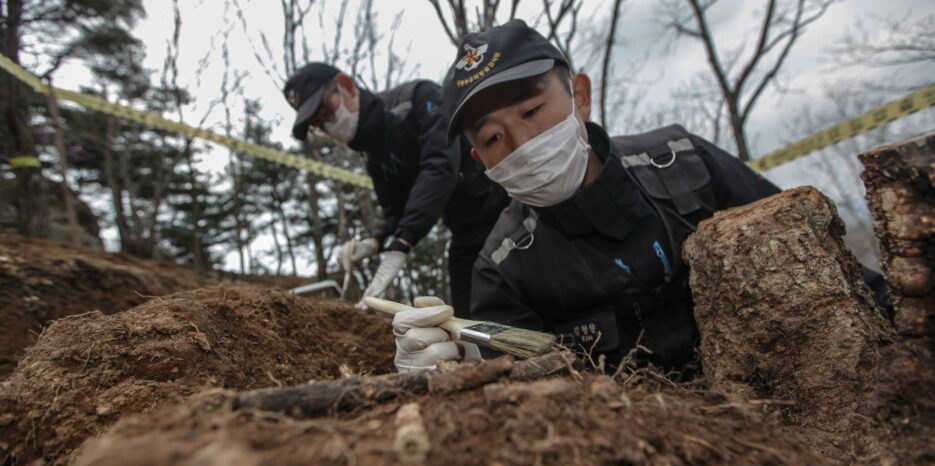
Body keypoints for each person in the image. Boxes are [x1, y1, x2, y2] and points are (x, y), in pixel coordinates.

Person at [390, 19, 891, 373]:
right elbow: (517, 392)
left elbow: (831, 271)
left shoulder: (682, 161)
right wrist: (451, 376)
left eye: (531, 111)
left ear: (580, 96)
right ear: (480, 162)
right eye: (494, 138)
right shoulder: (501, 270)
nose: (523, 144)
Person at [283, 63, 508, 314]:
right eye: (318, 125)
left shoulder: (419, 100)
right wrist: (375, 242)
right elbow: (397, 212)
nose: (328, 126)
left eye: (325, 112)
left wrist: (403, 241)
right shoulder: (373, 155)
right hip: (465, 233)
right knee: (467, 317)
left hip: (506, 211)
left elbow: (441, 165)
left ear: (346, 85)